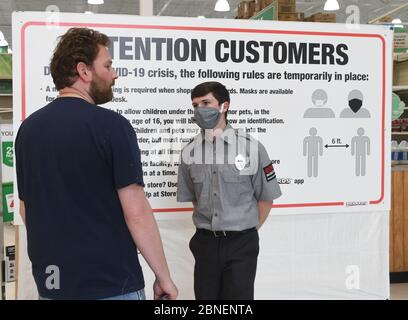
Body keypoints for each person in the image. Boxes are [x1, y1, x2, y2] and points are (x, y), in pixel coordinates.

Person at [15, 27, 178, 300]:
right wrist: (164, 278)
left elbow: (25, 208)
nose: (114, 74)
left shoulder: (28, 130)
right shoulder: (112, 126)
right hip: (111, 284)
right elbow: (137, 214)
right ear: (84, 71)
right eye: (108, 65)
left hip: (53, 286)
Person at [177, 81, 282, 300]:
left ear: (224, 106)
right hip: (205, 244)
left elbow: (265, 199)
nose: (199, 110)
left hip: (241, 244)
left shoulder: (251, 148)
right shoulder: (189, 152)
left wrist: (243, 232)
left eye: (206, 102)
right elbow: (196, 201)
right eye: (195, 105)